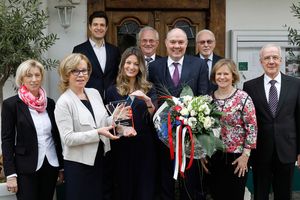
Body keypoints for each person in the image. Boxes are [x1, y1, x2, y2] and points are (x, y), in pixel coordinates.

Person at [54, 53, 135, 200]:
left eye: (84, 70)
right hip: (79, 165)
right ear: (66, 74)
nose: (81, 75)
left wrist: (116, 118)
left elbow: (103, 122)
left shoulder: (94, 93)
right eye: (75, 71)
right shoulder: (63, 102)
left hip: (101, 158)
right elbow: (68, 139)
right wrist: (97, 133)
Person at [148, 27, 208, 200]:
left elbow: (203, 95)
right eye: (173, 42)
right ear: (166, 44)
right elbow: (151, 96)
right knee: (165, 178)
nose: (176, 46)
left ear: (186, 44)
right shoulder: (154, 67)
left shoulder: (198, 65)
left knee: (189, 180)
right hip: (162, 134)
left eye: (180, 42)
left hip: (189, 135)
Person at [243, 43, 300, 200]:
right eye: (267, 58)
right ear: (261, 61)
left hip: (287, 150)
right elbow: (248, 121)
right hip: (260, 151)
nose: (271, 61)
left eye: (275, 57)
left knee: (284, 195)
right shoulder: (249, 86)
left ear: (281, 60)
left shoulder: (296, 85)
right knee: (260, 194)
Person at [1, 59, 64, 200]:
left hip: (50, 165)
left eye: (37, 75)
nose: (34, 79)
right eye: (29, 75)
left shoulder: (50, 103)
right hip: (25, 168)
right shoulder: (11, 105)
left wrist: (61, 167)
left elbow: (56, 137)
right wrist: (10, 174)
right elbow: (7, 140)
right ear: (21, 78)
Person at [106, 46, 158, 200]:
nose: (131, 67)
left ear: (141, 67)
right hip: (122, 145)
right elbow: (110, 120)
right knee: (124, 188)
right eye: (128, 63)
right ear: (122, 65)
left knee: (145, 188)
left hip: (145, 145)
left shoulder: (149, 88)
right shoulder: (112, 90)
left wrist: (147, 100)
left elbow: (153, 117)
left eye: (136, 64)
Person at [202, 58, 257, 200]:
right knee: (216, 195)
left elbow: (252, 128)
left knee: (234, 195)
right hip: (214, 156)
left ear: (233, 76)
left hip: (237, 157)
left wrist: (245, 156)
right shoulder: (207, 100)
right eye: (218, 74)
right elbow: (201, 130)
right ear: (214, 77)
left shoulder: (243, 98)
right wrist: (201, 155)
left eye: (226, 74)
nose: (222, 77)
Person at [73, 11, 121, 102]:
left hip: (112, 100)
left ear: (106, 28)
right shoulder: (79, 50)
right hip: (87, 99)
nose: (99, 28)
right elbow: (74, 76)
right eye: (95, 24)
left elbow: (119, 75)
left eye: (102, 25)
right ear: (90, 27)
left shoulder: (114, 50)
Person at [195, 29, 223, 94]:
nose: (206, 45)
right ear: (197, 44)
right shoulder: (190, 63)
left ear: (214, 43)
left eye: (209, 42)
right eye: (202, 42)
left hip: (218, 101)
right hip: (196, 102)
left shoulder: (222, 62)